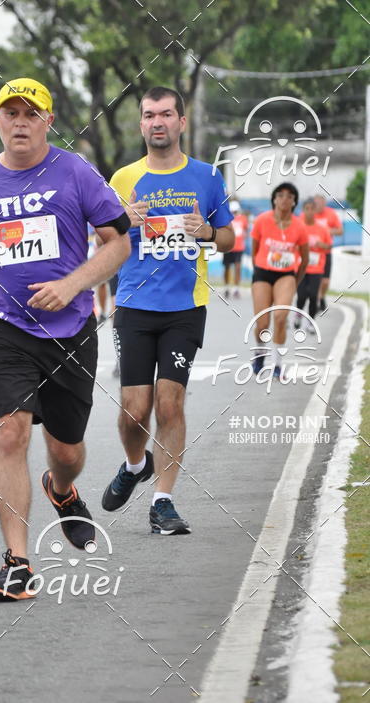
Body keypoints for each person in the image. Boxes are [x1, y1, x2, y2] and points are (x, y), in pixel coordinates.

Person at [0, 77, 131, 601]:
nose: (20, 122)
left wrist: (73, 285)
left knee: (66, 450)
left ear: (48, 121)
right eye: (10, 113)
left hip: (69, 331)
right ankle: (18, 564)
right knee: (9, 435)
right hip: (4, 328)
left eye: (31, 113)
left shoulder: (76, 173)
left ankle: (61, 490)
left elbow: (118, 242)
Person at [100, 86, 235, 536]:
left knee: (169, 402)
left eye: (166, 114)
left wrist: (208, 232)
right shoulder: (121, 179)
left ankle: (163, 502)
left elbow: (230, 239)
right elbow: (103, 243)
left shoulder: (207, 177)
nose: (158, 122)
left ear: (181, 122)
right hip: (135, 305)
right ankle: (135, 463)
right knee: (135, 410)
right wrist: (124, 224)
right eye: (149, 115)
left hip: (185, 307)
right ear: (141, 124)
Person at [250, 183, 308, 377]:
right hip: (263, 273)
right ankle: (259, 353)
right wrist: (258, 269)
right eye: (281, 195)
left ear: (294, 202)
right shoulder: (261, 221)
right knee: (262, 323)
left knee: (281, 317)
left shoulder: (299, 226)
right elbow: (255, 249)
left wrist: (294, 281)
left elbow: (305, 258)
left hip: (286, 275)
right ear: (274, 199)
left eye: (290, 196)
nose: (285, 199)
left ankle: (277, 365)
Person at [295, 198, 332, 329]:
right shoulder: (298, 226)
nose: (310, 212)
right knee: (302, 295)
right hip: (301, 267)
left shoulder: (322, 229)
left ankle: (311, 321)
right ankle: (298, 314)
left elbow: (329, 246)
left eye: (312, 209)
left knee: (313, 295)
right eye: (307, 209)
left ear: (315, 210)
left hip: (316, 268)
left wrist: (321, 244)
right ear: (303, 210)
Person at [313, 193, 343, 311]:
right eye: (315, 203)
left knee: (325, 281)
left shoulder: (331, 214)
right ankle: (315, 300)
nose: (317, 206)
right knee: (314, 278)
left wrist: (328, 231)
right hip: (313, 253)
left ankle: (321, 296)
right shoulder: (309, 213)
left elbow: (340, 231)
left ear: (324, 203)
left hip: (325, 251)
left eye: (320, 203)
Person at [223, 199, 248, 298]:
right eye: (233, 211)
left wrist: (242, 240)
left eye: (236, 211)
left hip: (239, 248)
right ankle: (227, 287)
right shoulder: (227, 218)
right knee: (227, 268)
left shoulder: (243, 219)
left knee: (238, 268)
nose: (234, 213)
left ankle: (236, 288)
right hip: (228, 247)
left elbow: (245, 230)